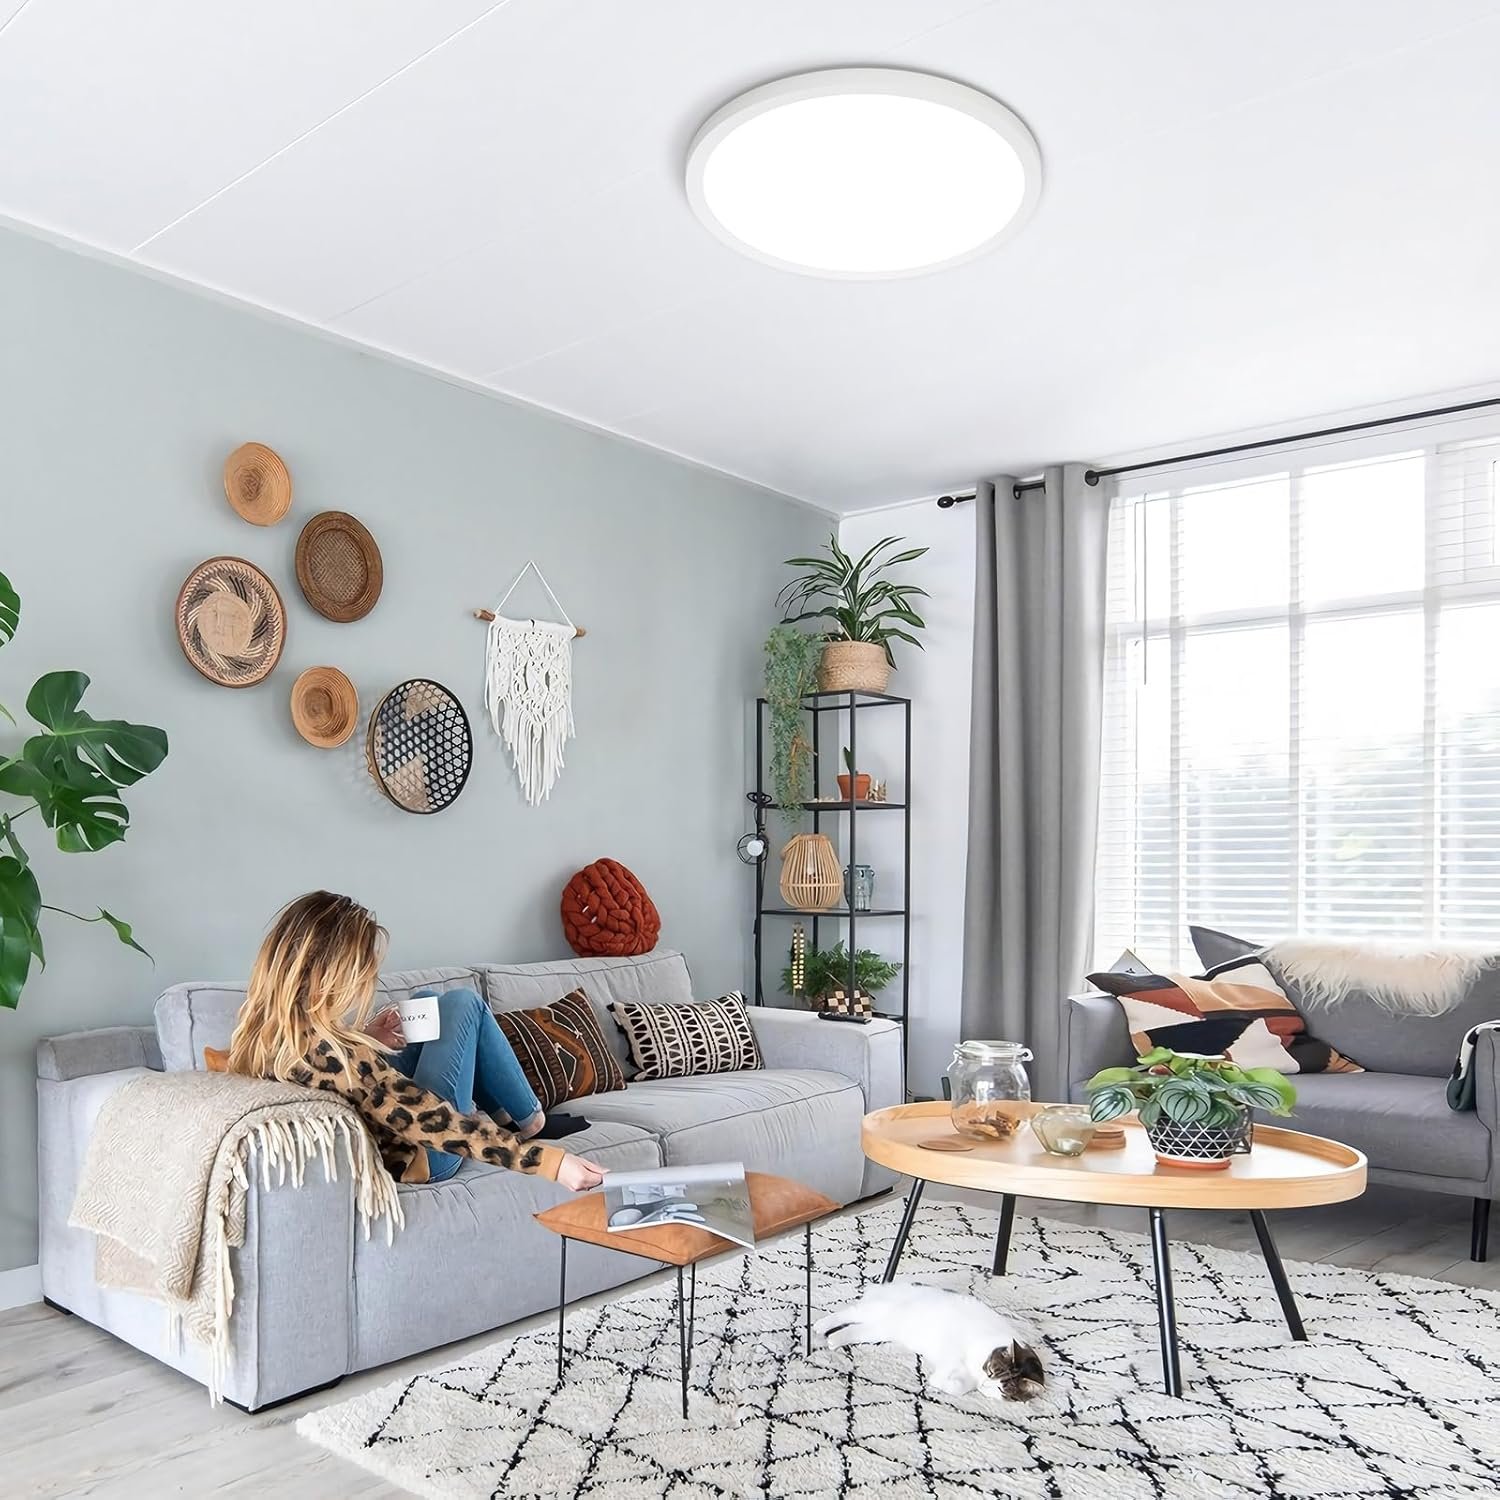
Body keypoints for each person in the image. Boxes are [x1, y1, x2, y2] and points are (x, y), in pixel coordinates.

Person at [226, 890, 605, 1192]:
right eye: (363, 971)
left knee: (427, 1002)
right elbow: (428, 1121)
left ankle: (513, 1116)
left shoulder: (265, 1034)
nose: (366, 982)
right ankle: (530, 1120)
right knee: (463, 1003)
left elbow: (346, 1081)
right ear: (333, 974)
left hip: (391, 1129)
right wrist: (553, 1164)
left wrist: (367, 1038)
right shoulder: (338, 1058)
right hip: (423, 1155)